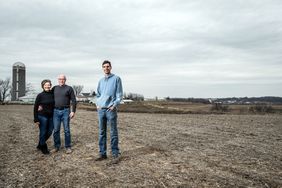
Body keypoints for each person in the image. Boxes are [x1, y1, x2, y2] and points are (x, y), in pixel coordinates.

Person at [95, 60, 123, 163]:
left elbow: (119, 95)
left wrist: (114, 105)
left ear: (111, 67)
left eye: (107, 66)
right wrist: (97, 104)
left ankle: (115, 153)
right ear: (102, 68)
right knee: (102, 132)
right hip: (101, 110)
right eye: (104, 67)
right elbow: (98, 95)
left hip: (110, 110)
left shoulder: (116, 79)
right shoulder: (101, 81)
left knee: (113, 132)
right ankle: (102, 154)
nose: (106, 68)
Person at [52, 74, 76, 154]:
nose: (61, 80)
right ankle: (56, 146)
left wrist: (73, 111)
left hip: (66, 111)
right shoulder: (54, 88)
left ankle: (68, 147)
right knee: (56, 130)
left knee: (66, 130)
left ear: (65, 80)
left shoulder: (69, 88)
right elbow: (48, 97)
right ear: (58, 79)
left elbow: (73, 100)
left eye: (63, 79)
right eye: (60, 79)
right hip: (55, 111)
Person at [33, 79, 54, 155]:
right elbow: (35, 107)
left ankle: (40, 144)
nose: (47, 86)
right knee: (43, 132)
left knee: (50, 131)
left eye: (48, 85)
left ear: (50, 85)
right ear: (43, 86)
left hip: (51, 116)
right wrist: (36, 118)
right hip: (42, 116)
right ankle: (43, 147)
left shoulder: (52, 94)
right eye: (45, 85)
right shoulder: (40, 95)